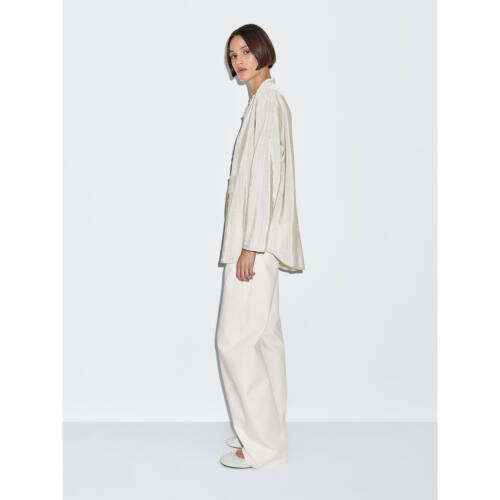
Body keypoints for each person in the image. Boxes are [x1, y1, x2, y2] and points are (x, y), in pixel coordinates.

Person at [216, 23, 305, 469]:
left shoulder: (267, 104)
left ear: (263, 51)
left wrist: (250, 245)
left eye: (246, 51)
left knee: (234, 342)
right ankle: (269, 431)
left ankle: (263, 447)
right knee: (266, 340)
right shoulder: (263, 104)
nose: (240, 60)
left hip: (256, 244)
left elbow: (265, 181)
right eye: (233, 54)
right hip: (263, 242)